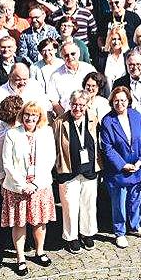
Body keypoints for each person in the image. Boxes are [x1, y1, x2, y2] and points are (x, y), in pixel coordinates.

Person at [0, 101, 57, 275]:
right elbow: (7, 163)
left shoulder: (47, 132)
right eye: (27, 114)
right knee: (19, 223)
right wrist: (22, 184)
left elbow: (50, 159)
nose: (30, 118)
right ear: (22, 115)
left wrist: (35, 183)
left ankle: (40, 251)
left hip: (40, 186)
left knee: (40, 221)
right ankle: (20, 257)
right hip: (17, 188)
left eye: (34, 115)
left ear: (39, 117)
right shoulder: (12, 134)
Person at [101, 86, 141, 247]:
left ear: (128, 100)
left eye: (123, 100)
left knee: (135, 199)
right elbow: (107, 148)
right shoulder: (107, 121)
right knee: (119, 202)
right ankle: (120, 232)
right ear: (111, 102)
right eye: (116, 100)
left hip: (137, 167)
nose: (119, 103)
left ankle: (135, 226)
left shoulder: (136, 116)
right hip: (118, 170)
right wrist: (123, 165)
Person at [54, 91, 100, 254]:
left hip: (89, 169)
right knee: (69, 206)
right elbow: (55, 146)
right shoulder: (60, 122)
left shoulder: (94, 118)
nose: (77, 108)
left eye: (81, 105)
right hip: (68, 170)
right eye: (74, 104)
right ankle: (71, 237)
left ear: (87, 105)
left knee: (89, 204)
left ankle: (87, 233)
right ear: (70, 104)